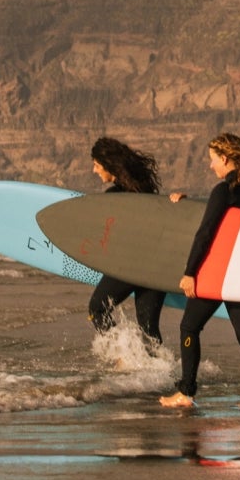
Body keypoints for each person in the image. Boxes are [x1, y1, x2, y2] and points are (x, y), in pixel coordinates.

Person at [157, 134, 240, 410]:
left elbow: (206, 232)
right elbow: (226, 224)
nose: (210, 166)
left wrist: (190, 272)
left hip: (217, 272)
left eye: (212, 160)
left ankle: (186, 392)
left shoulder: (223, 191)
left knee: (189, 327)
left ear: (225, 159)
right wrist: (189, 204)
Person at [84, 137, 167, 343]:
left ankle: (123, 351)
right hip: (155, 265)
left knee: (96, 309)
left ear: (108, 164)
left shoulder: (115, 196)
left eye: (96, 165)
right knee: (149, 326)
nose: (94, 170)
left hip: (130, 264)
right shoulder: (144, 190)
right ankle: (160, 370)